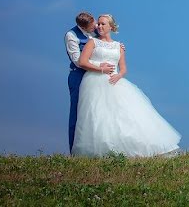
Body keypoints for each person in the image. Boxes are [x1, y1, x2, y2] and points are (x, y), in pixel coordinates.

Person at [71, 14, 181, 157]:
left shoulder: (119, 46)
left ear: (111, 26)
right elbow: (82, 62)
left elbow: (123, 68)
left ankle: (135, 147)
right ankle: (100, 150)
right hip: (95, 81)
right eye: (99, 24)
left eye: (103, 24)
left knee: (125, 114)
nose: (99, 26)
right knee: (98, 115)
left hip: (115, 81)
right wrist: (100, 68)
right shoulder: (92, 42)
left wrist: (119, 75)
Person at [65, 12, 115, 153]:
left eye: (96, 23)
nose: (96, 27)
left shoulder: (93, 32)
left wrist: (117, 48)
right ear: (82, 26)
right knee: (77, 112)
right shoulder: (71, 36)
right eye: (92, 25)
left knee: (97, 111)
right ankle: (75, 151)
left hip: (95, 77)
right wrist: (100, 65)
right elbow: (78, 60)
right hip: (79, 75)